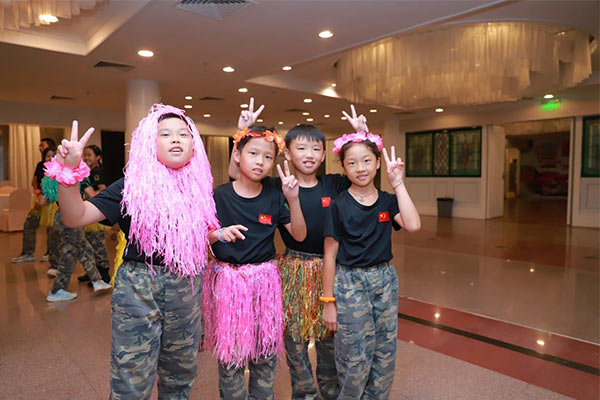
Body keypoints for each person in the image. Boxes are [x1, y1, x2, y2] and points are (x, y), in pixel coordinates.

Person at [51, 105, 218, 399]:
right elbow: (74, 217)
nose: (176, 139)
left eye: (183, 134)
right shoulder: (132, 185)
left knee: (181, 373)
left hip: (187, 285)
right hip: (139, 286)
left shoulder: (200, 186)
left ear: (194, 144)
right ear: (149, 143)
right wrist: (69, 173)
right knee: (132, 377)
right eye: (165, 134)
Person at [202, 120, 307, 400]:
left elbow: (298, 234)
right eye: (253, 153)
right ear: (237, 155)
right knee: (232, 357)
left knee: (264, 354)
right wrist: (218, 235)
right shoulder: (218, 195)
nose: (260, 161)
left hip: (265, 283)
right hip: (228, 285)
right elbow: (201, 240)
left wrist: (293, 200)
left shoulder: (275, 192)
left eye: (268, 156)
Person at [322, 113, 421, 400]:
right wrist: (328, 302)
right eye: (352, 163)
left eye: (367, 160)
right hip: (349, 281)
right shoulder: (338, 205)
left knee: (385, 353)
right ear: (343, 167)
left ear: (378, 163)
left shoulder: (389, 201)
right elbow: (330, 255)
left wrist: (398, 183)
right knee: (354, 355)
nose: (360, 168)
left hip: (385, 279)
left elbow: (413, 225)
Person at [12, 137, 56, 263]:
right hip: (38, 199)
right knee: (29, 224)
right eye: (47, 156)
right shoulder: (40, 165)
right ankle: (27, 253)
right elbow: (34, 181)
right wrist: (37, 189)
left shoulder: (58, 169)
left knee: (51, 229)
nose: (49, 159)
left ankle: (51, 253)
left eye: (52, 156)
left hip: (51, 203)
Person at [78, 144, 111, 284]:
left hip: (96, 211)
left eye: (89, 155)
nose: (86, 158)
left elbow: (103, 190)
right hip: (89, 210)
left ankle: (104, 275)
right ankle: (93, 273)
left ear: (98, 157)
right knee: (91, 244)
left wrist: (88, 196)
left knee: (98, 245)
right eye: (84, 155)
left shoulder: (96, 171)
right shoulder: (89, 171)